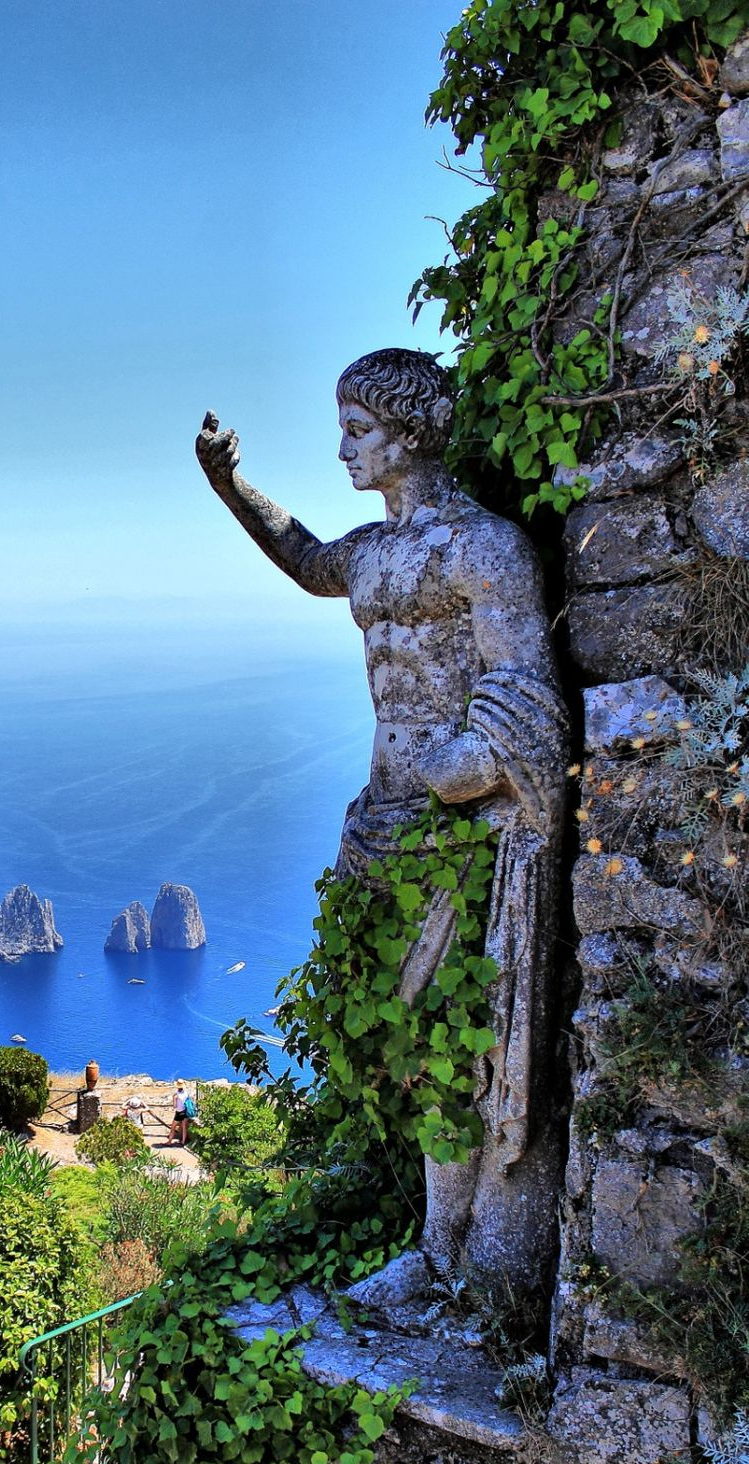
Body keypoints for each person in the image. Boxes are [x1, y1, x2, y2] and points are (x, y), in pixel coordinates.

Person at [195, 349, 568, 1288]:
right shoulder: (372, 551)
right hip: (381, 818)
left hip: (452, 827)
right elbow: (307, 560)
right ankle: (434, 1243)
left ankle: (459, 1253)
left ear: (411, 434)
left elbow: (526, 687)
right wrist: (232, 487)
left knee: (454, 1033)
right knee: (406, 1041)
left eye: (358, 431)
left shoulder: (482, 548)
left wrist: (473, 762)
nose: (343, 449)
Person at [167, 1080, 191, 1147]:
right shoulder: (186, 1093)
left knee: (173, 1127)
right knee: (184, 1127)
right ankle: (183, 1141)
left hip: (179, 1112)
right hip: (185, 1111)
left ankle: (169, 1141)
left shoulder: (176, 1095)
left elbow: (175, 1106)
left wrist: (174, 1100)